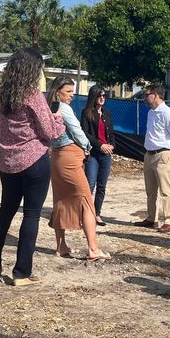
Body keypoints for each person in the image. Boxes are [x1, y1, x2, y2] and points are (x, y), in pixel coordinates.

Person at [0, 48, 66, 287]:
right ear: (33, 70)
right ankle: (21, 272)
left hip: (8, 162)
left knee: (6, 210)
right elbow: (50, 131)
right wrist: (58, 119)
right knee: (31, 215)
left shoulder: (0, 94)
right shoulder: (32, 95)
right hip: (34, 160)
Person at [47, 75, 110, 261]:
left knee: (60, 201)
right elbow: (78, 132)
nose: (71, 95)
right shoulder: (64, 109)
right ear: (58, 91)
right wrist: (88, 149)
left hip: (56, 156)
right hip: (70, 156)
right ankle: (93, 248)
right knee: (86, 201)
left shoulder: (46, 108)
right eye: (68, 92)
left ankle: (61, 246)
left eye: (72, 92)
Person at [133, 83, 170, 233]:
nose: (145, 98)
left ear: (156, 95)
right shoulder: (151, 112)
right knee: (151, 190)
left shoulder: (167, 113)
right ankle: (151, 218)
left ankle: (169, 221)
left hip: (163, 154)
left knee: (165, 190)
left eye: (147, 95)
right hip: (149, 154)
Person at [80, 84, 115, 226]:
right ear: (93, 97)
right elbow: (85, 133)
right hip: (94, 153)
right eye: (99, 96)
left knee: (102, 185)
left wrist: (112, 145)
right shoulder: (86, 112)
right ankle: (85, 214)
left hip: (106, 154)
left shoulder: (107, 113)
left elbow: (111, 133)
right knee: (90, 183)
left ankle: (97, 213)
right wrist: (100, 145)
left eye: (104, 96)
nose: (102, 98)